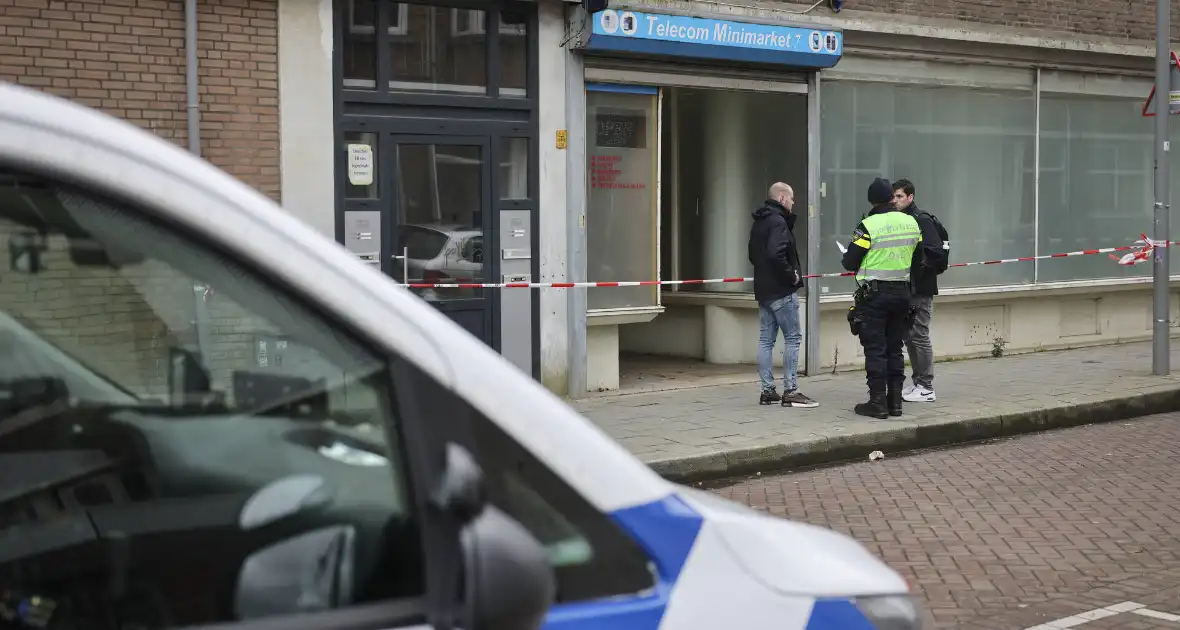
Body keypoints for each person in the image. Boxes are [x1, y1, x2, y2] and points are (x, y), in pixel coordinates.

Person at [841, 177, 922, 419]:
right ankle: (895, 403)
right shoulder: (911, 222)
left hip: (875, 296)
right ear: (890, 197)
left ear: (872, 200)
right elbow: (918, 259)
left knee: (876, 349)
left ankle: (877, 403)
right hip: (902, 294)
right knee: (895, 348)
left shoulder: (869, 224)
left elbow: (850, 260)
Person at [748, 182, 818, 408]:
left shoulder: (760, 221)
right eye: (791, 198)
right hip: (781, 291)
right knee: (793, 338)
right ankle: (791, 390)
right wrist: (793, 276)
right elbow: (776, 254)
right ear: (781, 198)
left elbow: (753, 255)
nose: (793, 202)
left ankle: (767, 391)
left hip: (764, 290)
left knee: (766, 341)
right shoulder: (778, 222)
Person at [892, 179, 945, 403]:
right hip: (908, 286)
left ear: (910, 197)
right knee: (910, 337)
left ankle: (926, 386)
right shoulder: (904, 220)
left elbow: (934, 252)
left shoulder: (921, 220)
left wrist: (919, 270)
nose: (895, 201)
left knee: (919, 335)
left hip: (920, 288)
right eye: (893, 197)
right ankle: (917, 383)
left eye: (899, 197)